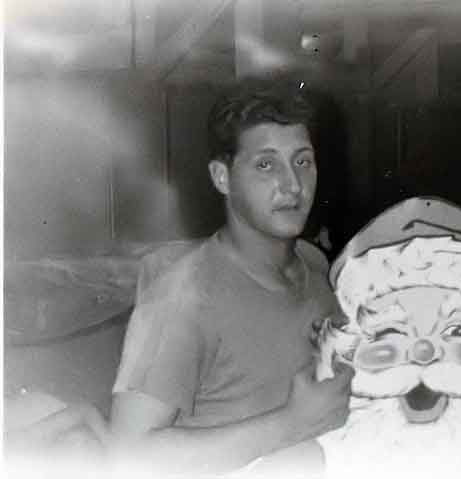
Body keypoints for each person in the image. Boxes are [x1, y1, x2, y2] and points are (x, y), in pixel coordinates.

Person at [109, 83, 354, 476]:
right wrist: (289, 424)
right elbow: (126, 456)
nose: (293, 184)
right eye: (266, 165)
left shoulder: (315, 264)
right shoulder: (180, 300)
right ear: (222, 177)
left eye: (303, 161)